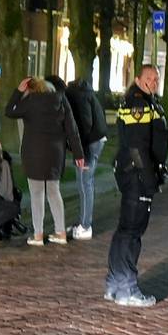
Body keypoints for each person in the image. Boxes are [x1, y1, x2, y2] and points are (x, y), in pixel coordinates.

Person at [105, 65, 168, 307]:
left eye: (156, 78)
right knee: (132, 232)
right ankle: (126, 287)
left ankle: (115, 282)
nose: (153, 82)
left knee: (125, 230)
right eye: (149, 78)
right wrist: (149, 179)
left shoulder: (143, 101)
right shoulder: (139, 104)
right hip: (137, 175)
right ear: (138, 79)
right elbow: (137, 145)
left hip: (134, 173)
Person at [5, 76, 84, 246]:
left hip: (34, 152)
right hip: (56, 152)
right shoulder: (61, 99)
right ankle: (60, 232)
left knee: (36, 193)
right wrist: (79, 154)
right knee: (54, 192)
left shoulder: (30, 101)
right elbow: (72, 128)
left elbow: (9, 111)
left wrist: (18, 91)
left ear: (31, 89)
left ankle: (38, 235)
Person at [64, 78, 110, 241]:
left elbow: (84, 123)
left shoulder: (73, 96)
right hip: (96, 139)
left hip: (90, 142)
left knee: (85, 183)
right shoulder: (86, 93)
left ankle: (85, 225)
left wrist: (80, 153)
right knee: (84, 183)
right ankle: (82, 222)